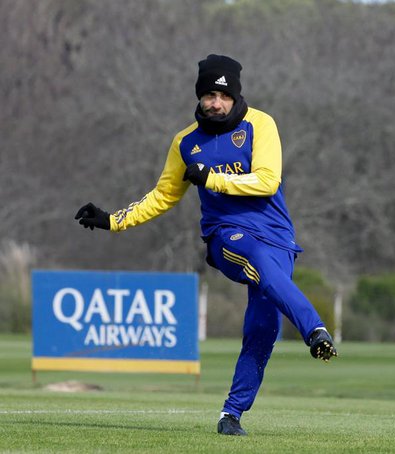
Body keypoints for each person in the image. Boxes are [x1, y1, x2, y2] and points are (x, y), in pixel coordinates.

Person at [75, 54, 337, 436]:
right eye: (208, 95)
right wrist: (114, 220)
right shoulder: (185, 143)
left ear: (235, 95)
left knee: (262, 329)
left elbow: (267, 180)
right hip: (226, 235)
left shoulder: (261, 124)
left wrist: (212, 178)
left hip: (278, 236)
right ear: (199, 97)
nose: (215, 103)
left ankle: (231, 415)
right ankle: (315, 331)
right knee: (257, 259)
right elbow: (163, 195)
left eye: (222, 95)